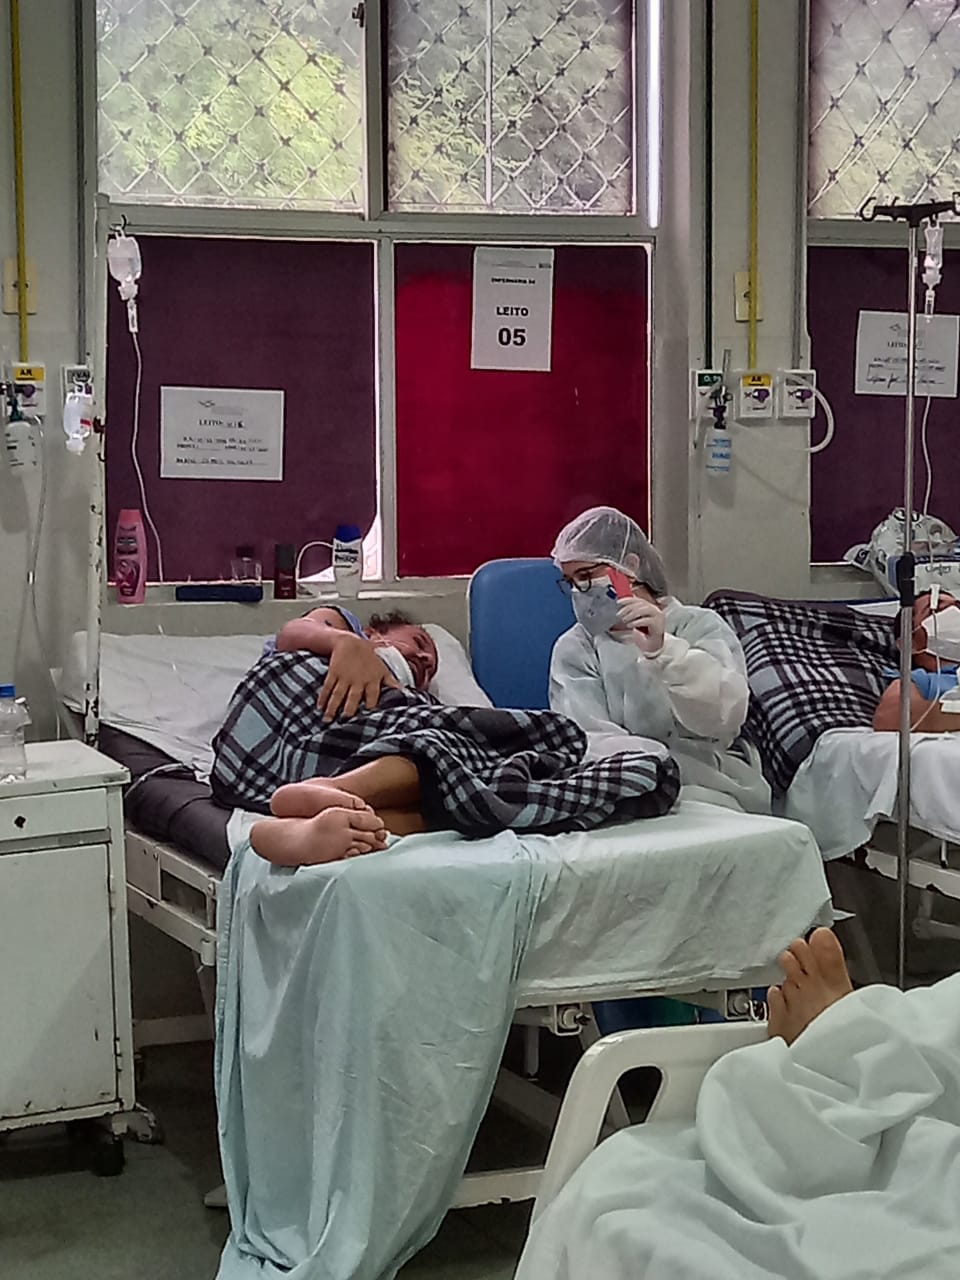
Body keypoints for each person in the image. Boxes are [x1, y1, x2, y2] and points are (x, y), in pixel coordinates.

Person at [549, 506, 770, 813]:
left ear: (629, 566)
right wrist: (653, 765)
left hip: (714, 787)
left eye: (586, 576)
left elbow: (725, 716)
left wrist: (665, 652)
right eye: (570, 581)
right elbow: (588, 738)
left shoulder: (698, 625)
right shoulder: (577, 648)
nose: (578, 591)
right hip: (625, 789)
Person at [873, 588, 960, 733]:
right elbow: (890, 717)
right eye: (937, 610)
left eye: (958, 607)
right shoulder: (920, 680)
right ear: (911, 643)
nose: (955, 614)